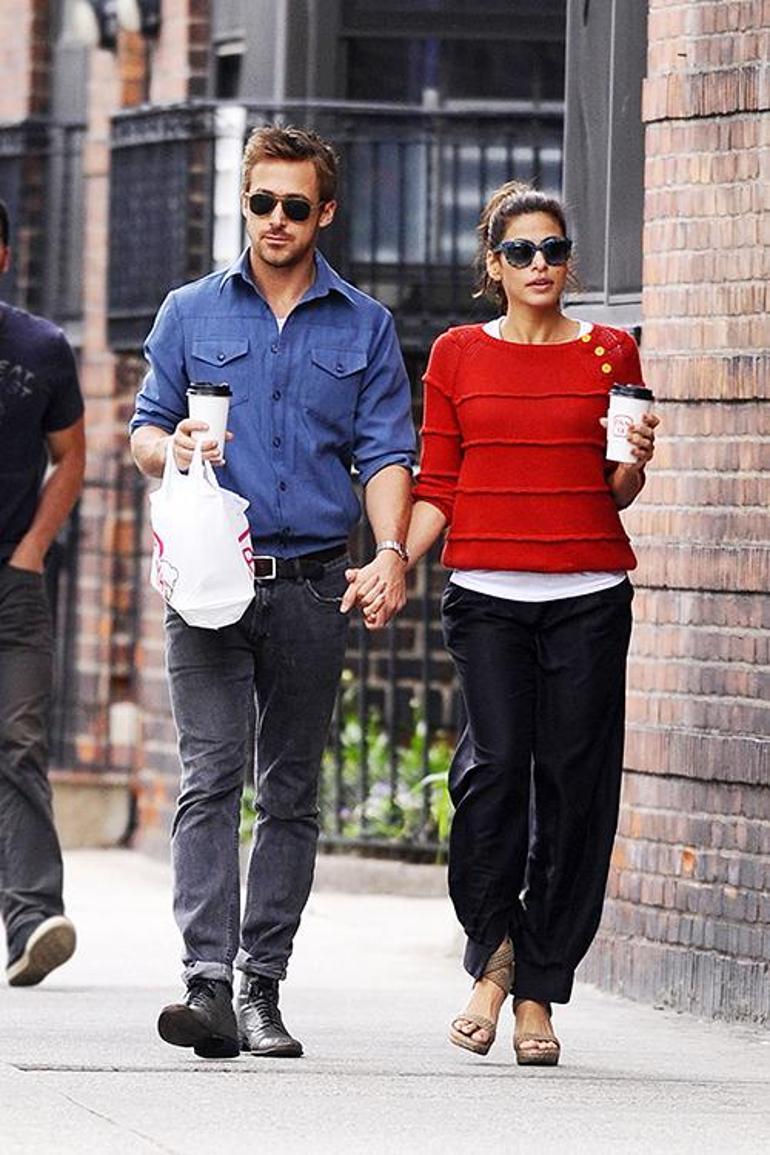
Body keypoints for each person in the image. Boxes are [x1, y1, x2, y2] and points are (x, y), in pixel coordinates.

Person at [130, 125, 415, 1059]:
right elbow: (142, 430)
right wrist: (169, 446)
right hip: (210, 582)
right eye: (262, 202)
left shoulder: (364, 326)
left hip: (311, 584)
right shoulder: (189, 312)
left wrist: (390, 550)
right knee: (211, 775)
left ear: (324, 211)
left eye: (296, 205)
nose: (277, 219)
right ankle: (207, 983)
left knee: (289, 788)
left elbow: (386, 452)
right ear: (243, 202)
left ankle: (262, 984)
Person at [380, 183, 657, 1064]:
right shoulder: (458, 354)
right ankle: (493, 952)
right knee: (493, 775)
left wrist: (635, 462)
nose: (541, 264)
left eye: (555, 249)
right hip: (488, 596)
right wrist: (395, 558)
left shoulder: (612, 351)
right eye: (522, 251)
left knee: (575, 789)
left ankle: (534, 989)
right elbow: (440, 482)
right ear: (493, 265)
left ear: (569, 262)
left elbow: (617, 489)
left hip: (589, 593)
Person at [0, 199, 85, 986]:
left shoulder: (41, 347)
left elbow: (71, 455)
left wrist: (32, 548)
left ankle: (32, 921)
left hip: (13, 584)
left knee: (20, 740)